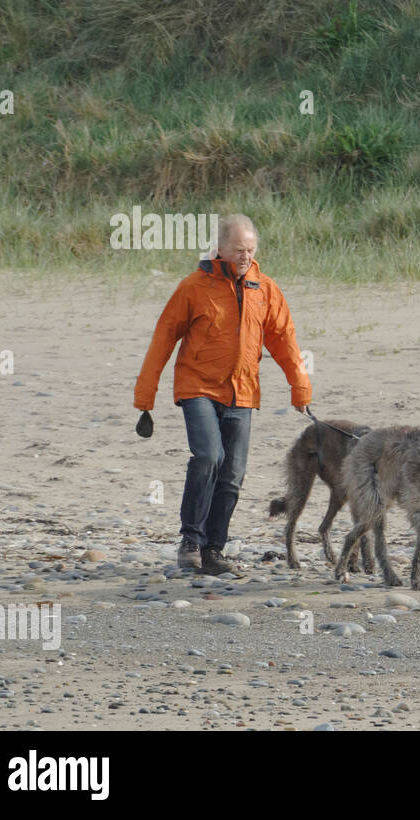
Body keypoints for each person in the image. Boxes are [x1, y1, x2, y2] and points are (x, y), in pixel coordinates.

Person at [134, 214, 312, 575]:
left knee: (232, 473)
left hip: (242, 393)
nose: (245, 256)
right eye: (238, 249)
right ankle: (190, 541)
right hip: (197, 386)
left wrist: (300, 387)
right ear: (220, 249)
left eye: (250, 250)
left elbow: (284, 342)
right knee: (208, 456)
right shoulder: (194, 287)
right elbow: (164, 338)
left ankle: (214, 550)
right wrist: (145, 397)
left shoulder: (265, 290)